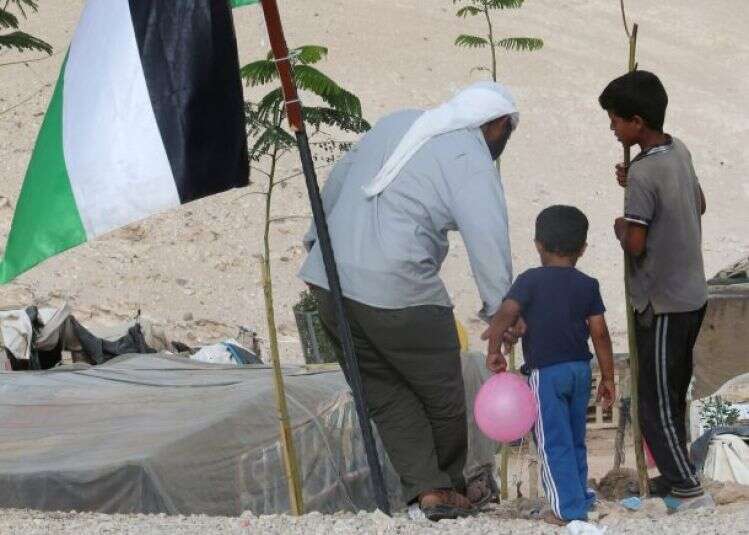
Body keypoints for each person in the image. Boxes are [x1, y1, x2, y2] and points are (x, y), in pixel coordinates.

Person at [298, 82, 522, 520]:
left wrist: (313, 242)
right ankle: (448, 487)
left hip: (328, 281)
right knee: (442, 392)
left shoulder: (399, 123)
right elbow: (487, 233)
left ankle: (429, 490)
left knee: (385, 394)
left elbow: (339, 178)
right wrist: (502, 309)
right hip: (395, 289)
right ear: (495, 125)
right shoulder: (470, 156)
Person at [599, 70, 711, 507]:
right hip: (691, 294)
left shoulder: (645, 174)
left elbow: (637, 242)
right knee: (672, 393)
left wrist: (620, 225)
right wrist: (640, 187)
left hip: (662, 302)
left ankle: (687, 486)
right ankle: (674, 474)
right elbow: (698, 203)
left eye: (615, 119)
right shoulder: (678, 150)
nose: (612, 127)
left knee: (655, 402)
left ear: (637, 123)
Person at [483, 205, 616, 525]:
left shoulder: (529, 281)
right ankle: (579, 496)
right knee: (574, 437)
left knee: (552, 440)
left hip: (547, 374)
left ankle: (566, 511)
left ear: (538, 244)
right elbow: (599, 332)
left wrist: (493, 349)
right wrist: (608, 377)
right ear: (582, 249)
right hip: (580, 371)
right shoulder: (588, 284)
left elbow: (505, 313)